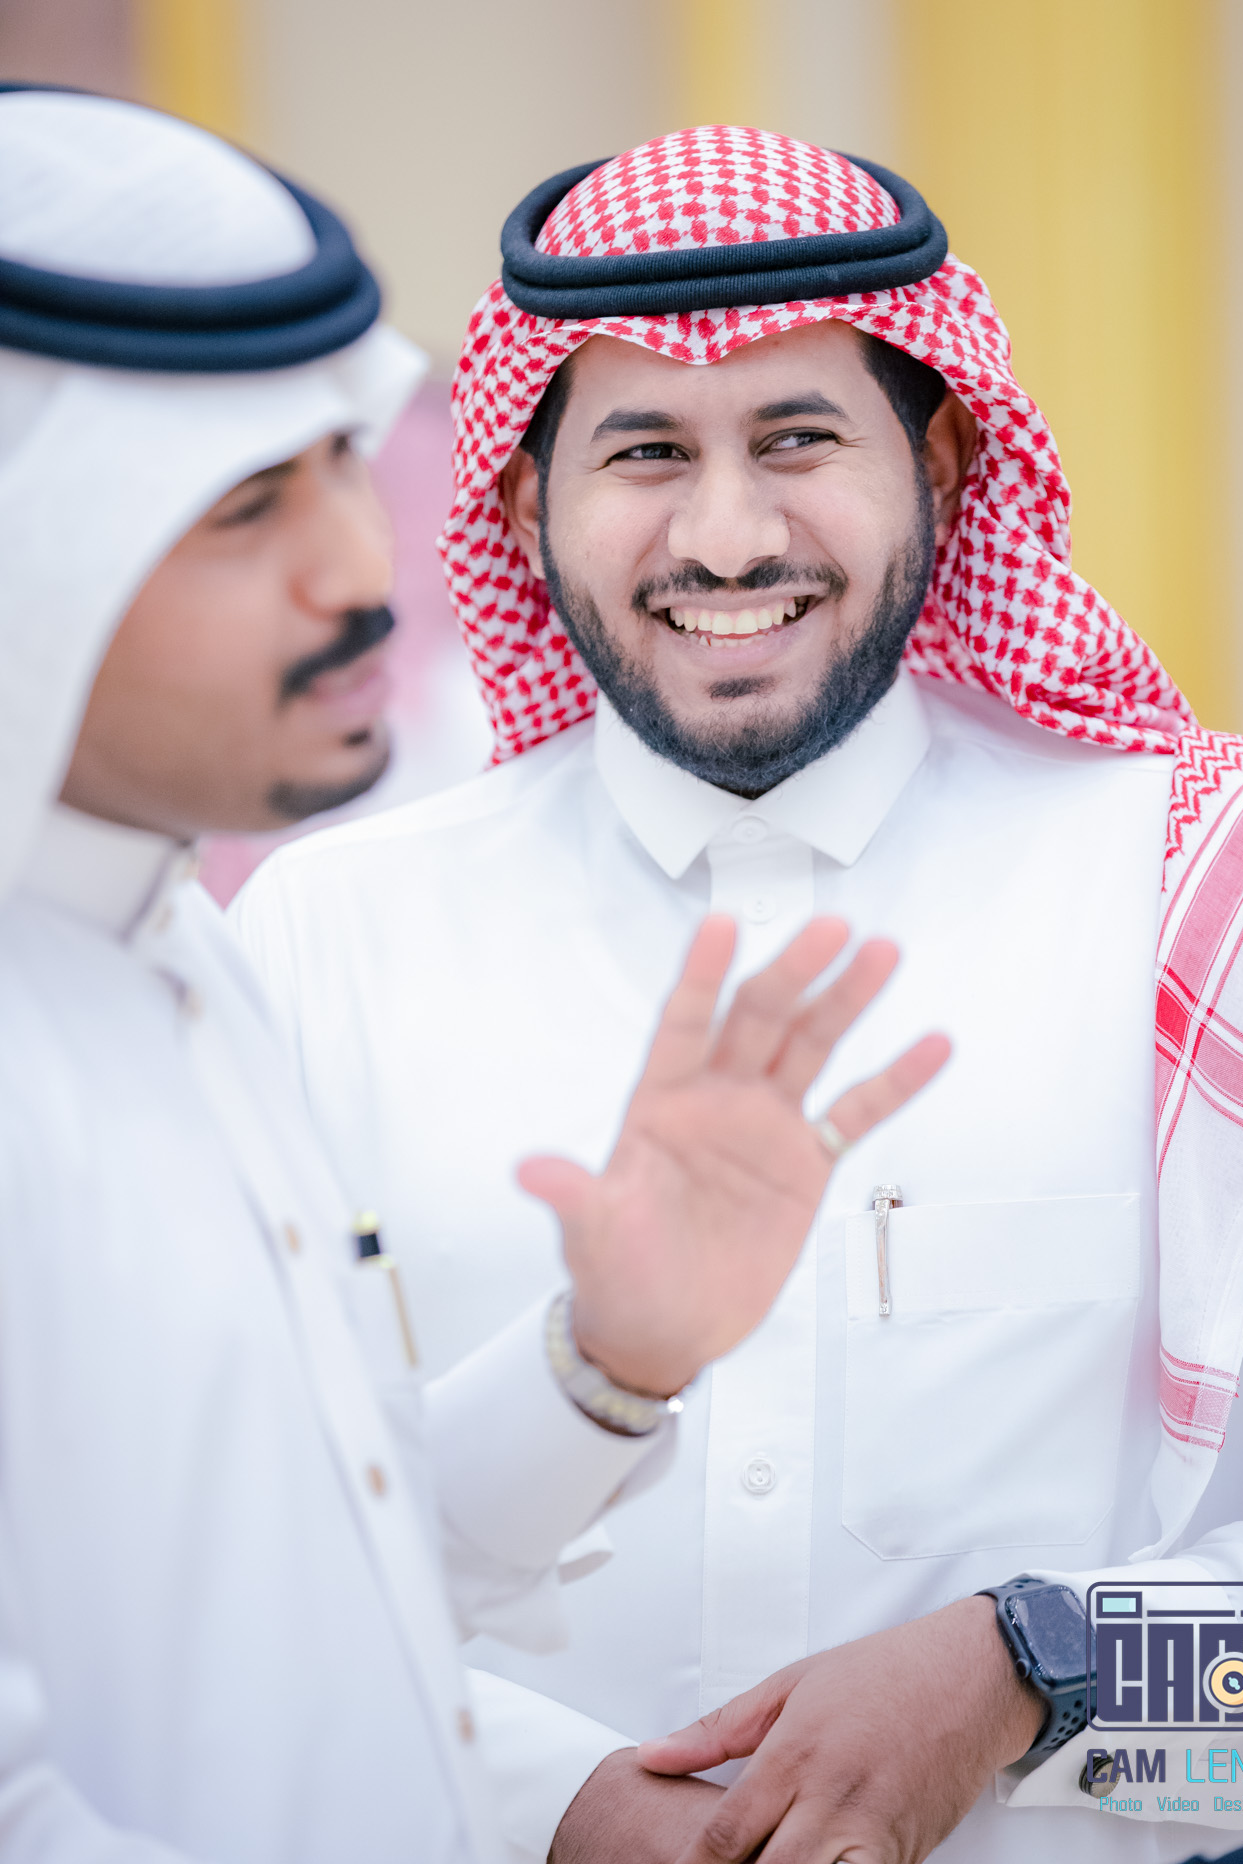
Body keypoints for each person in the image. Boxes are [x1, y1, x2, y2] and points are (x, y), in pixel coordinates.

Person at [233, 126, 1243, 1863]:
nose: (724, 536)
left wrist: (1036, 1679)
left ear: (942, 457)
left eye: (796, 439)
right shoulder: (330, 936)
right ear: (523, 501)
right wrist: (547, 1805)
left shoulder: (1234, 895)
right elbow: (235, 1560)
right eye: (642, 452)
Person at [0, 90, 949, 1864]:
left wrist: (606, 1365)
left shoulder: (174, 956)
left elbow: (309, 1573)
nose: (365, 575)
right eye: (243, 508)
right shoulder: (307, 932)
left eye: (342, 472)